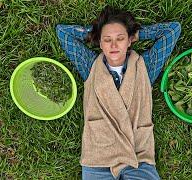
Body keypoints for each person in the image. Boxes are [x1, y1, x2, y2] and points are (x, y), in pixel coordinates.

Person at [56, 5, 181, 180]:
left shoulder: (145, 67)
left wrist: (135, 33)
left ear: (129, 41)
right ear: (100, 42)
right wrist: (94, 33)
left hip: (137, 155)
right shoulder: (90, 66)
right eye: (107, 40)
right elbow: (63, 32)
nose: (114, 45)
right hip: (98, 156)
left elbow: (173, 30)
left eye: (120, 38)